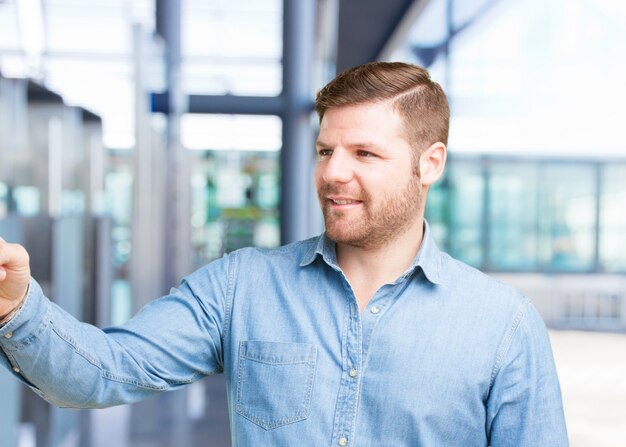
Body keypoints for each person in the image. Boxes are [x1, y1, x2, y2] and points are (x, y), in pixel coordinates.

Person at [0, 62, 568, 446]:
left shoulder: (504, 326)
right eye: (326, 150)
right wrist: (15, 306)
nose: (333, 173)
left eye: (364, 153)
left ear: (431, 164)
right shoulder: (241, 286)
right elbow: (102, 372)